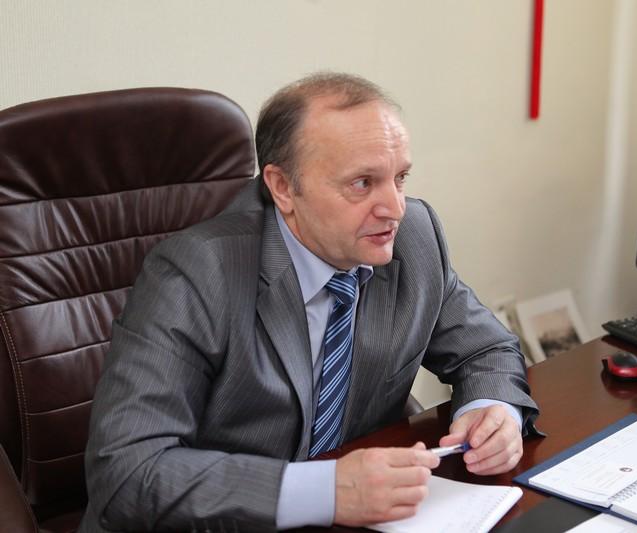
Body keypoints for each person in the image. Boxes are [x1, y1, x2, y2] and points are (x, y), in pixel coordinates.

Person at [79, 72, 538, 532]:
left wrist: (491, 410)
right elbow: (127, 473)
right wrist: (326, 491)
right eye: (362, 183)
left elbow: (487, 349)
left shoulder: (413, 238)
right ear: (282, 187)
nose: (395, 208)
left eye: (399, 177)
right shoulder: (197, 272)